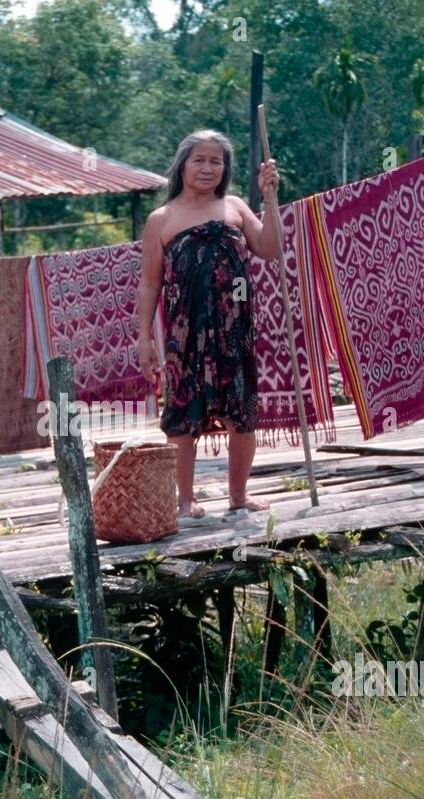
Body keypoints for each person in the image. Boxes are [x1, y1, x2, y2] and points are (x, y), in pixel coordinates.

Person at [135, 129, 282, 519]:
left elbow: (271, 249)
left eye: (215, 161)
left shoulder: (234, 207)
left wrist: (269, 197)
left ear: (225, 168)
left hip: (235, 329)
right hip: (186, 334)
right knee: (183, 415)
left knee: (242, 412)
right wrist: (145, 340)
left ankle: (238, 495)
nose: (207, 168)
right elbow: (150, 283)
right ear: (182, 165)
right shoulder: (161, 219)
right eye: (198, 159)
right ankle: (185, 499)